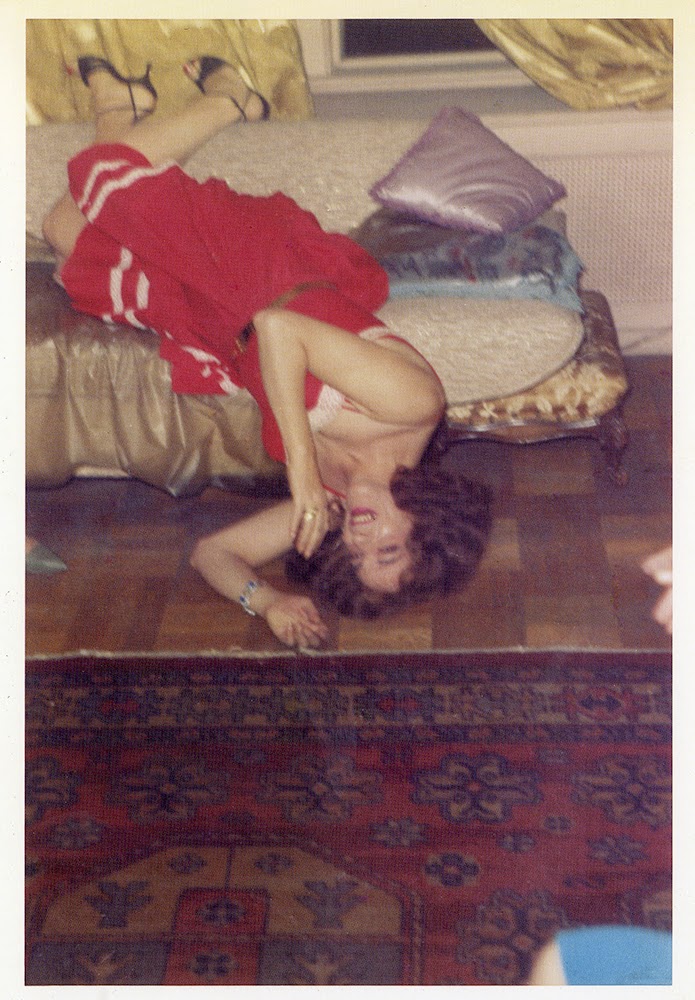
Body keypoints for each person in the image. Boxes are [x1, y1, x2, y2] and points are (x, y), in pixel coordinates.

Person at [42, 55, 491, 648]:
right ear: (427, 521)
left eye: (358, 557)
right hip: (263, 270)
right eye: (388, 548)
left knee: (63, 231)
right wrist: (301, 469)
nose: (361, 540)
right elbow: (280, 328)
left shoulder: (334, 502)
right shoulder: (413, 406)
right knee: (100, 177)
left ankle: (130, 105)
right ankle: (227, 100)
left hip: (214, 326)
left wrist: (267, 600)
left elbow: (213, 552)